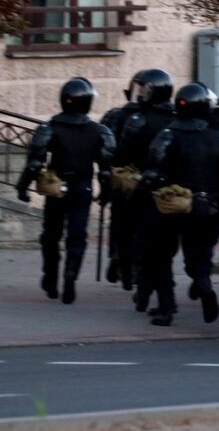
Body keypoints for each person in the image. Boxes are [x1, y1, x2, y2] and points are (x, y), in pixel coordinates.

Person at [143, 84, 219, 326]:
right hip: (207, 206)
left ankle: (166, 308)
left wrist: (143, 191)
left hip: (171, 205)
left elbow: (152, 171)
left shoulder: (167, 136)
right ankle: (204, 286)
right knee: (199, 255)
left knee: (161, 255)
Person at [17, 78, 115, 305]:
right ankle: (70, 275)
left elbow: (35, 162)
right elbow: (106, 169)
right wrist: (107, 193)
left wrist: (24, 187)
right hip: (82, 187)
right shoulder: (99, 132)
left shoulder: (50, 128)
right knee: (77, 236)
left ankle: (50, 276)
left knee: (51, 235)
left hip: (56, 187)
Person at [116, 68, 176, 312]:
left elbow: (122, 153)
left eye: (142, 90)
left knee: (146, 246)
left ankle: (156, 297)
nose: (138, 95)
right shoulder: (177, 119)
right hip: (173, 192)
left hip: (144, 189)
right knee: (164, 248)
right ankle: (147, 293)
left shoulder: (138, 120)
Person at [99, 70, 145, 288]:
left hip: (117, 177)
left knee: (119, 221)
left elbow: (103, 150)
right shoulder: (148, 119)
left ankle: (117, 255)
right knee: (137, 224)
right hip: (140, 179)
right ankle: (131, 265)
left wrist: (105, 176)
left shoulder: (113, 116)